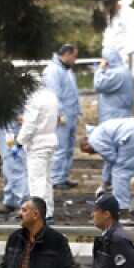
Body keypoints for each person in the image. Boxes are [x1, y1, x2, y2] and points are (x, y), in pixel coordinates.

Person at [0, 197, 78, 268]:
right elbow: (3, 267)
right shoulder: (14, 238)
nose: (19, 214)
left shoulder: (57, 241)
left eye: (24, 210)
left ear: (35, 214)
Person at [82, 117, 134, 214]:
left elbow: (113, 160)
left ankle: (121, 205)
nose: (91, 154)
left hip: (132, 134)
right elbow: (110, 161)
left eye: (88, 151)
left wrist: (104, 184)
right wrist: (105, 183)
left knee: (120, 172)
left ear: (86, 144)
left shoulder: (94, 140)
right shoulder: (101, 132)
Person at [16, 85, 61, 220]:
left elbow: (30, 125)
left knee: (37, 182)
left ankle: (37, 215)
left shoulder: (33, 100)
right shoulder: (50, 96)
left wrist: (19, 141)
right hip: (50, 140)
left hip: (37, 144)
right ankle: (48, 212)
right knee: (47, 180)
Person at [94, 0, 134, 123]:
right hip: (109, 59)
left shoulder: (130, 15)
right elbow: (108, 37)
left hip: (123, 61)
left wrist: (123, 60)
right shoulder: (111, 16)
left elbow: (132, 40)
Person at [42, 44, 82, 190]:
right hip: (61, 117)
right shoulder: (52, 71)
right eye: (74, 56)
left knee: (68, 148)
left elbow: (72, 93)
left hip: (70, 115)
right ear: (67, 54)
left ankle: (63, 175)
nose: (75, 60)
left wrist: (78, 111)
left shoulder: (66, 70)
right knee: (60, 147)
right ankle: (56, 178)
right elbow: (53, 94)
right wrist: (58, 114)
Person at [0, 120, 30, 216]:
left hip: (11, 127)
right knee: (8, 166)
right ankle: (11, 201)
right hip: (7, 126)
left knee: (15, 165)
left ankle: (24, 204)